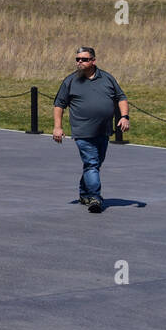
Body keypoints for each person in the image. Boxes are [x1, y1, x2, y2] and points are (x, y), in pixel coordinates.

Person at [52, 46, 129, 213]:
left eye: (84, 59)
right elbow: (59, 105)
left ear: (93, 61)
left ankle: (84, 193)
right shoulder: (71, 81)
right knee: (91, 163)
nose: (80, 62)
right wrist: (57, 127)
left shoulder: (107, 78)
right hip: (82, 131)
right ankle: (95, 197)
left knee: (94, 164)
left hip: (104, 131)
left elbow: (121, 98)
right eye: (78, 59)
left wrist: (124, 117)